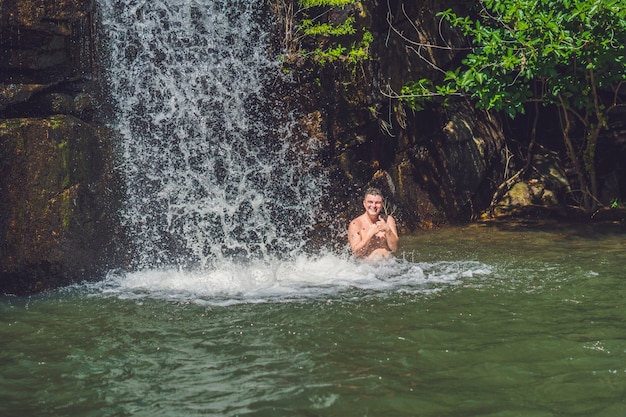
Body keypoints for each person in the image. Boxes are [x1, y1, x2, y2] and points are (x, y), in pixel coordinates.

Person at [348, 188, 399, 260]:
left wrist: (388, 230)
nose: (374, 206)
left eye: (377, 202)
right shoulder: (355, 224)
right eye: (370, 202)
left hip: (388, 266)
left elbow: (394, 248)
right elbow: (356, 254)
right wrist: (369, 234)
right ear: (364, 203)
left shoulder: (388, 220)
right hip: (367, 268)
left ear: (382, 204)